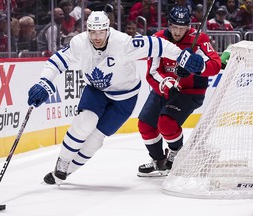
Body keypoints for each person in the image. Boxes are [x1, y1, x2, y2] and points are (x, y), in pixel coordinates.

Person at [27, 11, 204, 185]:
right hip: (97, 90)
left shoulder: (123, 43)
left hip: (125, 97)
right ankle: (62, 162)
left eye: (101, 32)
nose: (97, 37)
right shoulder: (79, 43)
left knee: (95, 139)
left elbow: (158, 44)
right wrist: (44, 81)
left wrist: (182, 56)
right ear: (87, 31)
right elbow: (57, 61)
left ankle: (65, 173)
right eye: (92, 32)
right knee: (85, 122)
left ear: (108, 30)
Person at [137, 5, 221, 177]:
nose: (177, 32)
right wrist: (167, 84)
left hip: (190, 91)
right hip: (164, 89)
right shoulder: (158, 39)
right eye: (174, 27)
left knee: (166, 123)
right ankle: (159, 162)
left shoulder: (199, 39)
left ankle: (176, 154)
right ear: (169, 24)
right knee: (145, 124)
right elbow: (152, 72)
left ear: (188, 26)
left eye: (182, 28)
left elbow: (216, 65)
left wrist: (197, 67)